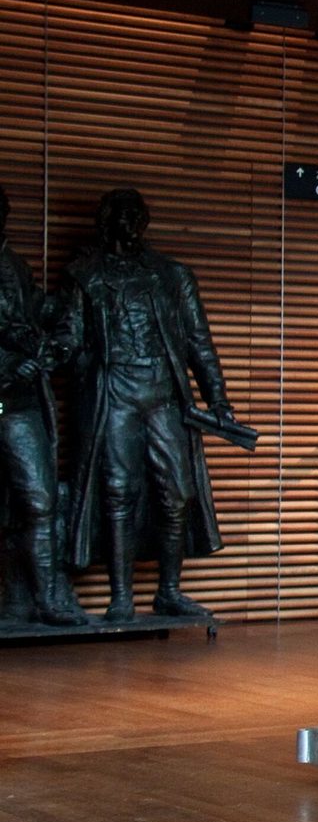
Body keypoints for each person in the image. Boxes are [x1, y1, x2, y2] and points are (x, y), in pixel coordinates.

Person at [57, 189, 234, 621]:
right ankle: (121, 598)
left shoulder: (173, 276)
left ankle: (168, 592)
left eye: (138, 217)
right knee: (118, 490)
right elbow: (71, 337)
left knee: (177, 493)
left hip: (164, 393)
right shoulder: (85, 275)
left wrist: (219, 401)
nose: (132, 225)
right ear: (108, 222)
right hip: (115, 391)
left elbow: (199, 344)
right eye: (124, 217)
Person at [0, 185, 88, 627]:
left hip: (17, 406)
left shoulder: (10, 262)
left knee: (36, 501)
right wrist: (10, 365)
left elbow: (35, 310)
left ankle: (39, 597)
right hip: (7, 396)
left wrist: (73, 295)